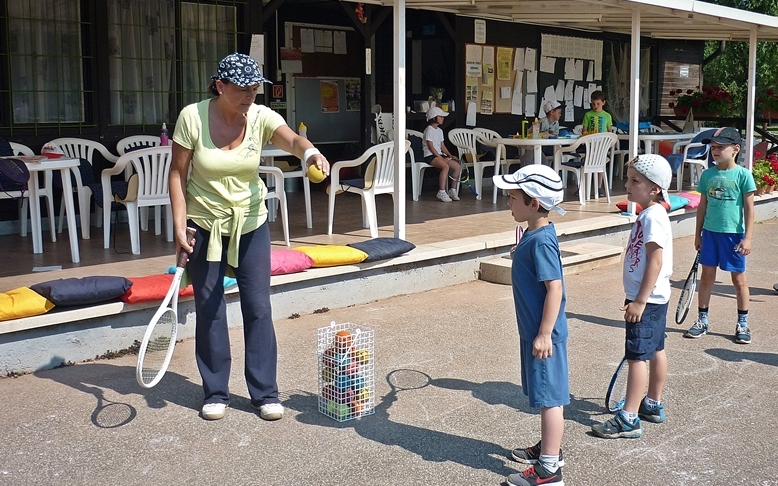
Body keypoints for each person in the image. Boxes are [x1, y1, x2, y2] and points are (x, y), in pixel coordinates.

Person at [169, 52, 330, 421]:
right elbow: (177, 173)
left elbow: (293, 140)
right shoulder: (191, 117)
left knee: (258, 308)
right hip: (205, 224)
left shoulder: (260, 116)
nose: (249, 96)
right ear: (219, 86)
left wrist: (311, 154)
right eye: (241, 89)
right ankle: (216, 393)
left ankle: (264, 393)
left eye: (255, 89)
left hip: (251, 223)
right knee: (209, 310)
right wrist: (179, 224)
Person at [493, 165, 568, 486]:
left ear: (534, 203)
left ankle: (549, 470)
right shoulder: (533, 236)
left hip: (543, 335)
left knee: (550, 399)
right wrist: (519, 253)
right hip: (535, 333)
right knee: (542, 394)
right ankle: (548, 449)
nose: (508, 203)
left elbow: (555, 288)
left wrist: (544, 333)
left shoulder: (540, 242)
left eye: (512, 198)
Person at [591, 154, 674, 440]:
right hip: (654, 297)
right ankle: (651, 404)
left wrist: (639, 300)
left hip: (647, 299)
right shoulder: (651, 213)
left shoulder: (652, 217)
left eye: (635, 181)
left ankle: (629, 418)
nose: (627, 184)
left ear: (655, 189)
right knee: (656, 349)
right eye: (628, 178)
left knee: (637, 357)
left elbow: (655, 261)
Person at [683, 127, 756, 344]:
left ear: (735, 149)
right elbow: (702, 207)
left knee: (739, 279)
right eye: (713, 147)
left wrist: (748, 237)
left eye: (720, 147)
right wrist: (698, 234)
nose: (715, 151)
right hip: (710, 234)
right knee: (706, 277)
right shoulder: (707, 175)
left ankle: (742, 323)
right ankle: (702, 320)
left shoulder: (743, 175)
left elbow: (750, 209)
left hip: (733, 236)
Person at [422, 106, 461, 202]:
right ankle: (441, 191)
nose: (443, 118)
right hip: (430, 156)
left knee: (457, 167)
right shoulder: (429, 130)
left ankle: (452, 190)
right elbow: (430, 147)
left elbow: (442, 146)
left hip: (439, 155)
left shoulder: (440, 131)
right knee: (445, 166)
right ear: (434, 118)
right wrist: (441, 158)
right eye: (441, 116)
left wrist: (450, 155)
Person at [580, 90, 612, 194]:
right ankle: (583, 186)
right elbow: (584, 130)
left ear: (603, 102)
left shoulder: (607, 116)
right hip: (590, 145)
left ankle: (598, 186)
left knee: (601, 165)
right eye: (593, 104)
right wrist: (586, 133)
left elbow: (610, 131)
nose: (596, 106)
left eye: (598, 104)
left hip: (602, 145)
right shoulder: (588, 115)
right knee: (587, 164)